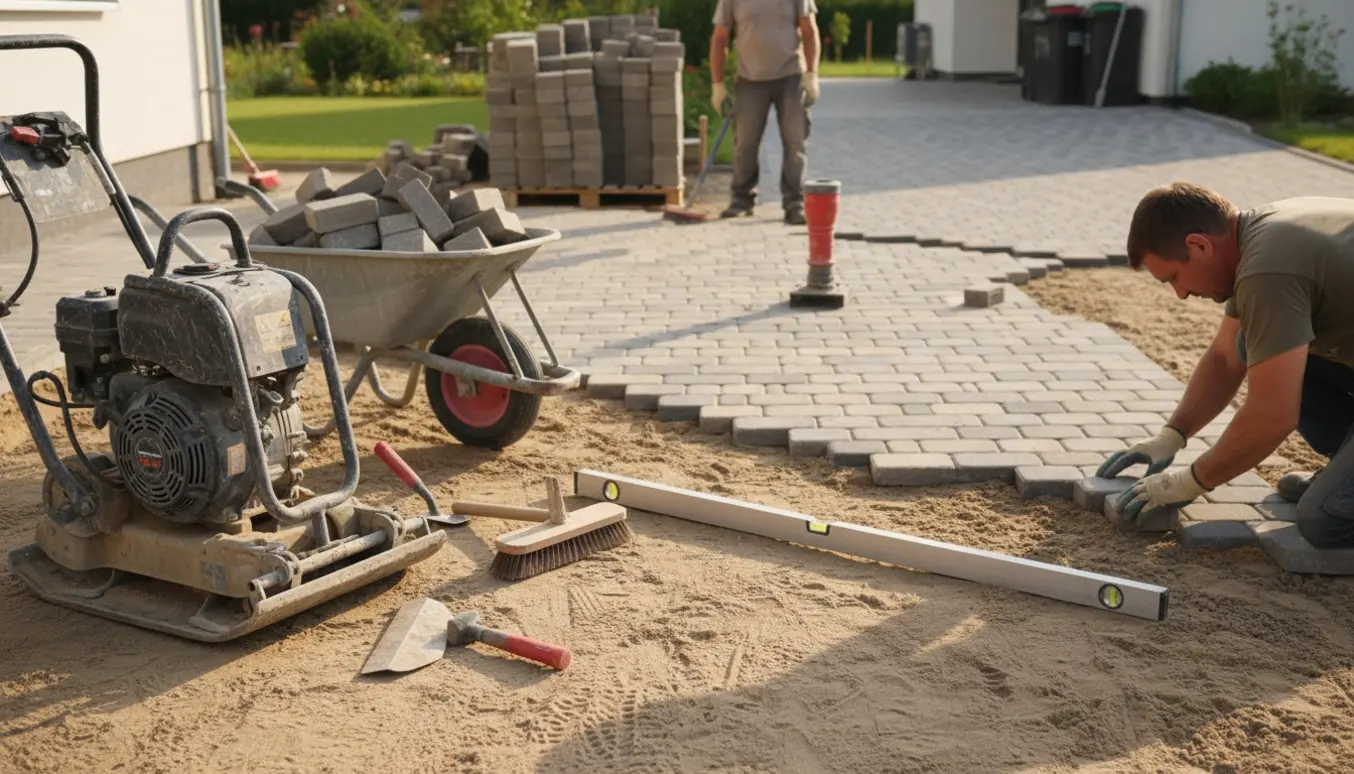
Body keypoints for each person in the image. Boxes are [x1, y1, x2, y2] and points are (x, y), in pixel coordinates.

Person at [1101, 182, 1354, 549]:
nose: (1180, 294)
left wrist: (1190, 481)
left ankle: (1340, 495)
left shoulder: (1268, 271)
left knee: (1323, 521)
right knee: (1251, 343)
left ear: (1198, 245)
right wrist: (1172, 436)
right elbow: (1225, 357)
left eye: (1173, 277)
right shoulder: (1259, 240)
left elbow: (1272, 416)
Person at [709, 0, 821, 225]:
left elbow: (809, 30)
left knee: (795, 141)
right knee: (745, 143)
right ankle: (741, 200)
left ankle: (795, 203)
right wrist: (717, 84)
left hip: (790, 76)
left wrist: (811, 74)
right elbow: (720, 37)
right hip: (749, 79)